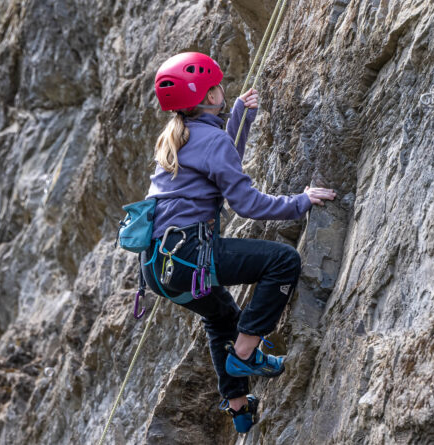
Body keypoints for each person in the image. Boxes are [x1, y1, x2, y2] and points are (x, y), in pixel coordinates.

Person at [140, 52, 336, 434]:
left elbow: (217, 160)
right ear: (210, 95)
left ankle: (239, 407)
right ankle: (245, 354)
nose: (222, 89)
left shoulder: (179, 136)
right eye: (217, 86)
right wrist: (300, 201)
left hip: (157, 268)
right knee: (282, 262)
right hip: (189, 256)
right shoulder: (208, 140)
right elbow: (245, 203)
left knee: (221, 316)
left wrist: (238, 121)